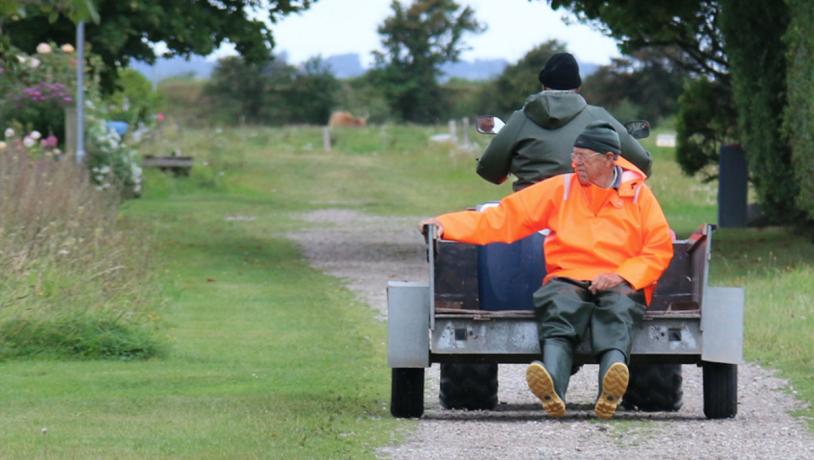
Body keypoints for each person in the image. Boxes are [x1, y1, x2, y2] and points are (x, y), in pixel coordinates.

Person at [420, 121, 673, 419]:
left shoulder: (640, 196)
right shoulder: (561, 188)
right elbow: (503, 218)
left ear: (609, 159)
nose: (575, 163)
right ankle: (552, 386)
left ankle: (611, 387)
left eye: (583, 157)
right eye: (574, 155)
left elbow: (658, 247)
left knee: (618, 308)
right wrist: (445, 225)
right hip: (568, 276)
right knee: (558, 305)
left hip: (621, 279)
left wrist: (622, 275)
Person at [477, 52, 652, 191]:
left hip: (529, 221)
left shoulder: (520, 120)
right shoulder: (600, 117)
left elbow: (489, 171)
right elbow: (642, 164)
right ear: (578, 88)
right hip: (586, 220)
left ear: (544, 86)